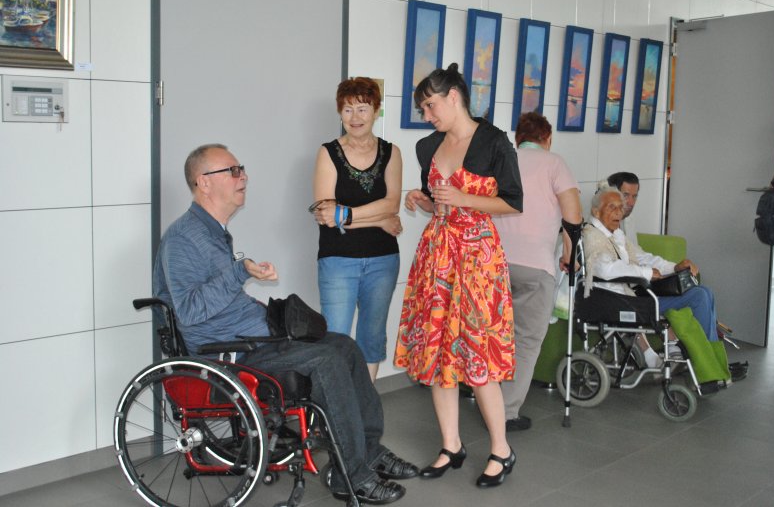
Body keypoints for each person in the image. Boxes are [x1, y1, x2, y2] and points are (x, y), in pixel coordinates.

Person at [153, 143, 418, 505]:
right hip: (229, 356)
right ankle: (351, 475)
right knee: (326, 361)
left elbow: (222, 299)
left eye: (242, 169)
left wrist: (261, 308)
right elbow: (189, 311)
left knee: (345, 345)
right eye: (233, 171)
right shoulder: (184, 238)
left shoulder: (213, 231)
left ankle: (369, 451)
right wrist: (239, 272)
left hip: (256, 340)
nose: (243, 177)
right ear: (204, 182)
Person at [393, 64, 523, 488]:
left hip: (477, 259)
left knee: (478, 353)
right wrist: (425, 200)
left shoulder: (494, 141)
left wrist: (464, 197)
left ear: (453, 96)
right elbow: (441, 203)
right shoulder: (428, 146)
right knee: (436, 352)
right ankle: (451, 445)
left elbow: (513, 202)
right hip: (438, 255)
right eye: (422, 109)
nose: (427, 116)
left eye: (430, 106)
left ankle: (501, 449)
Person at [493, 112, 581, 432]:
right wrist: (569, 255)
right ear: (548, 138)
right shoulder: (555, 163)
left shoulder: (501, 161)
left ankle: (484, 398)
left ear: (518, 138)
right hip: (535, 266)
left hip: (493, 263)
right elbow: (573, 217)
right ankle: (505, 413)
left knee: (494, 336)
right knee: (526, 341)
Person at [311, 77, 402, 382]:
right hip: (338, 259)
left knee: (372, 336)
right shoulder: (328, 152)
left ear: (376, 110)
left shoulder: (391, 152)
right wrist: (378, 219)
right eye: (347, 110)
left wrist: (346, 215)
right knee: (335, 338)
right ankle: (338, 405)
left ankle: (366, 402)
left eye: (362, 109)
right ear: (340, 113)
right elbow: (325, 213)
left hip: (383, 259)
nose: (355, 117)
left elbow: (392, 205)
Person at [583, 186, 719, 368]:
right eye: (611, 207)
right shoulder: (592, 236)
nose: (619, 213)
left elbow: (642, 257)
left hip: (635, 295)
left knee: (704, 292)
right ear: (595, 211)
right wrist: (645, 273)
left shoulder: (616, 235)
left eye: (620, 207)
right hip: (620, 301)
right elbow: (605, 269)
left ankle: (712, 358)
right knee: (699, 296)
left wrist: (674, 267)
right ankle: (708, 362)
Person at [607, 171, 640, 247]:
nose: (631, 203)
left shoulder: (629, 218)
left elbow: (634, 249)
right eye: (625, 195)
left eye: (634, 196)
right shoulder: (596, 225)